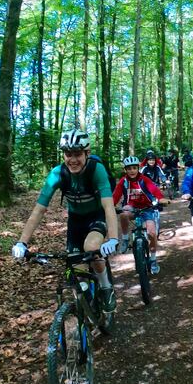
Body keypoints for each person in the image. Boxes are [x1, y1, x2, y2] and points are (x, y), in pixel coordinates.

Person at [12, 128, 120, 313]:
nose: (72, 159)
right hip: (76, 221)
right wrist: (22, 242)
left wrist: (113, 239)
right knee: (77, 270)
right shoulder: (57, 173)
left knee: (91, 247)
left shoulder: (96, 170)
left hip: (97, 216)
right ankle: (88, 310)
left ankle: (106, 286)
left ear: (87, 153)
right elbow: (39, 210)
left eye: (77, 154)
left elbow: (109, 206)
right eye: (68, 154)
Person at [112, 155, 169, 274]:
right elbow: (116, 195)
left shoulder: (144, 179)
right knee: (123, 213)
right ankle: (126, 238)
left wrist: (161, 199)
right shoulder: (124, 181)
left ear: (138, 168)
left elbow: (154, 189)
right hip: (131, 207)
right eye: (129, 168)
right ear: (125, 170)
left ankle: (153, 260)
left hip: (147, 208)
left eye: (134, 168)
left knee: (152, 233)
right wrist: (110, 206)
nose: (132, 171)